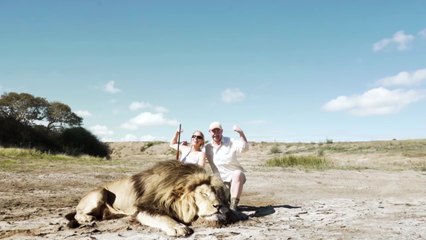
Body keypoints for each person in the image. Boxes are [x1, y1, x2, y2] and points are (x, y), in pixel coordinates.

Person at [204, 121, 249, 211]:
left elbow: (244, 148)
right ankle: (227, 199)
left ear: (222, 131)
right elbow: (195, 154)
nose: (216, 133)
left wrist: (241, 133)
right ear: (209, 132)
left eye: (218, 131)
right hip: (219, 183)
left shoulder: (230, 141)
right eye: (213, 131)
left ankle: (233, 207)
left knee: (237, 173)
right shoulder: (207, 147)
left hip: (234, 179)